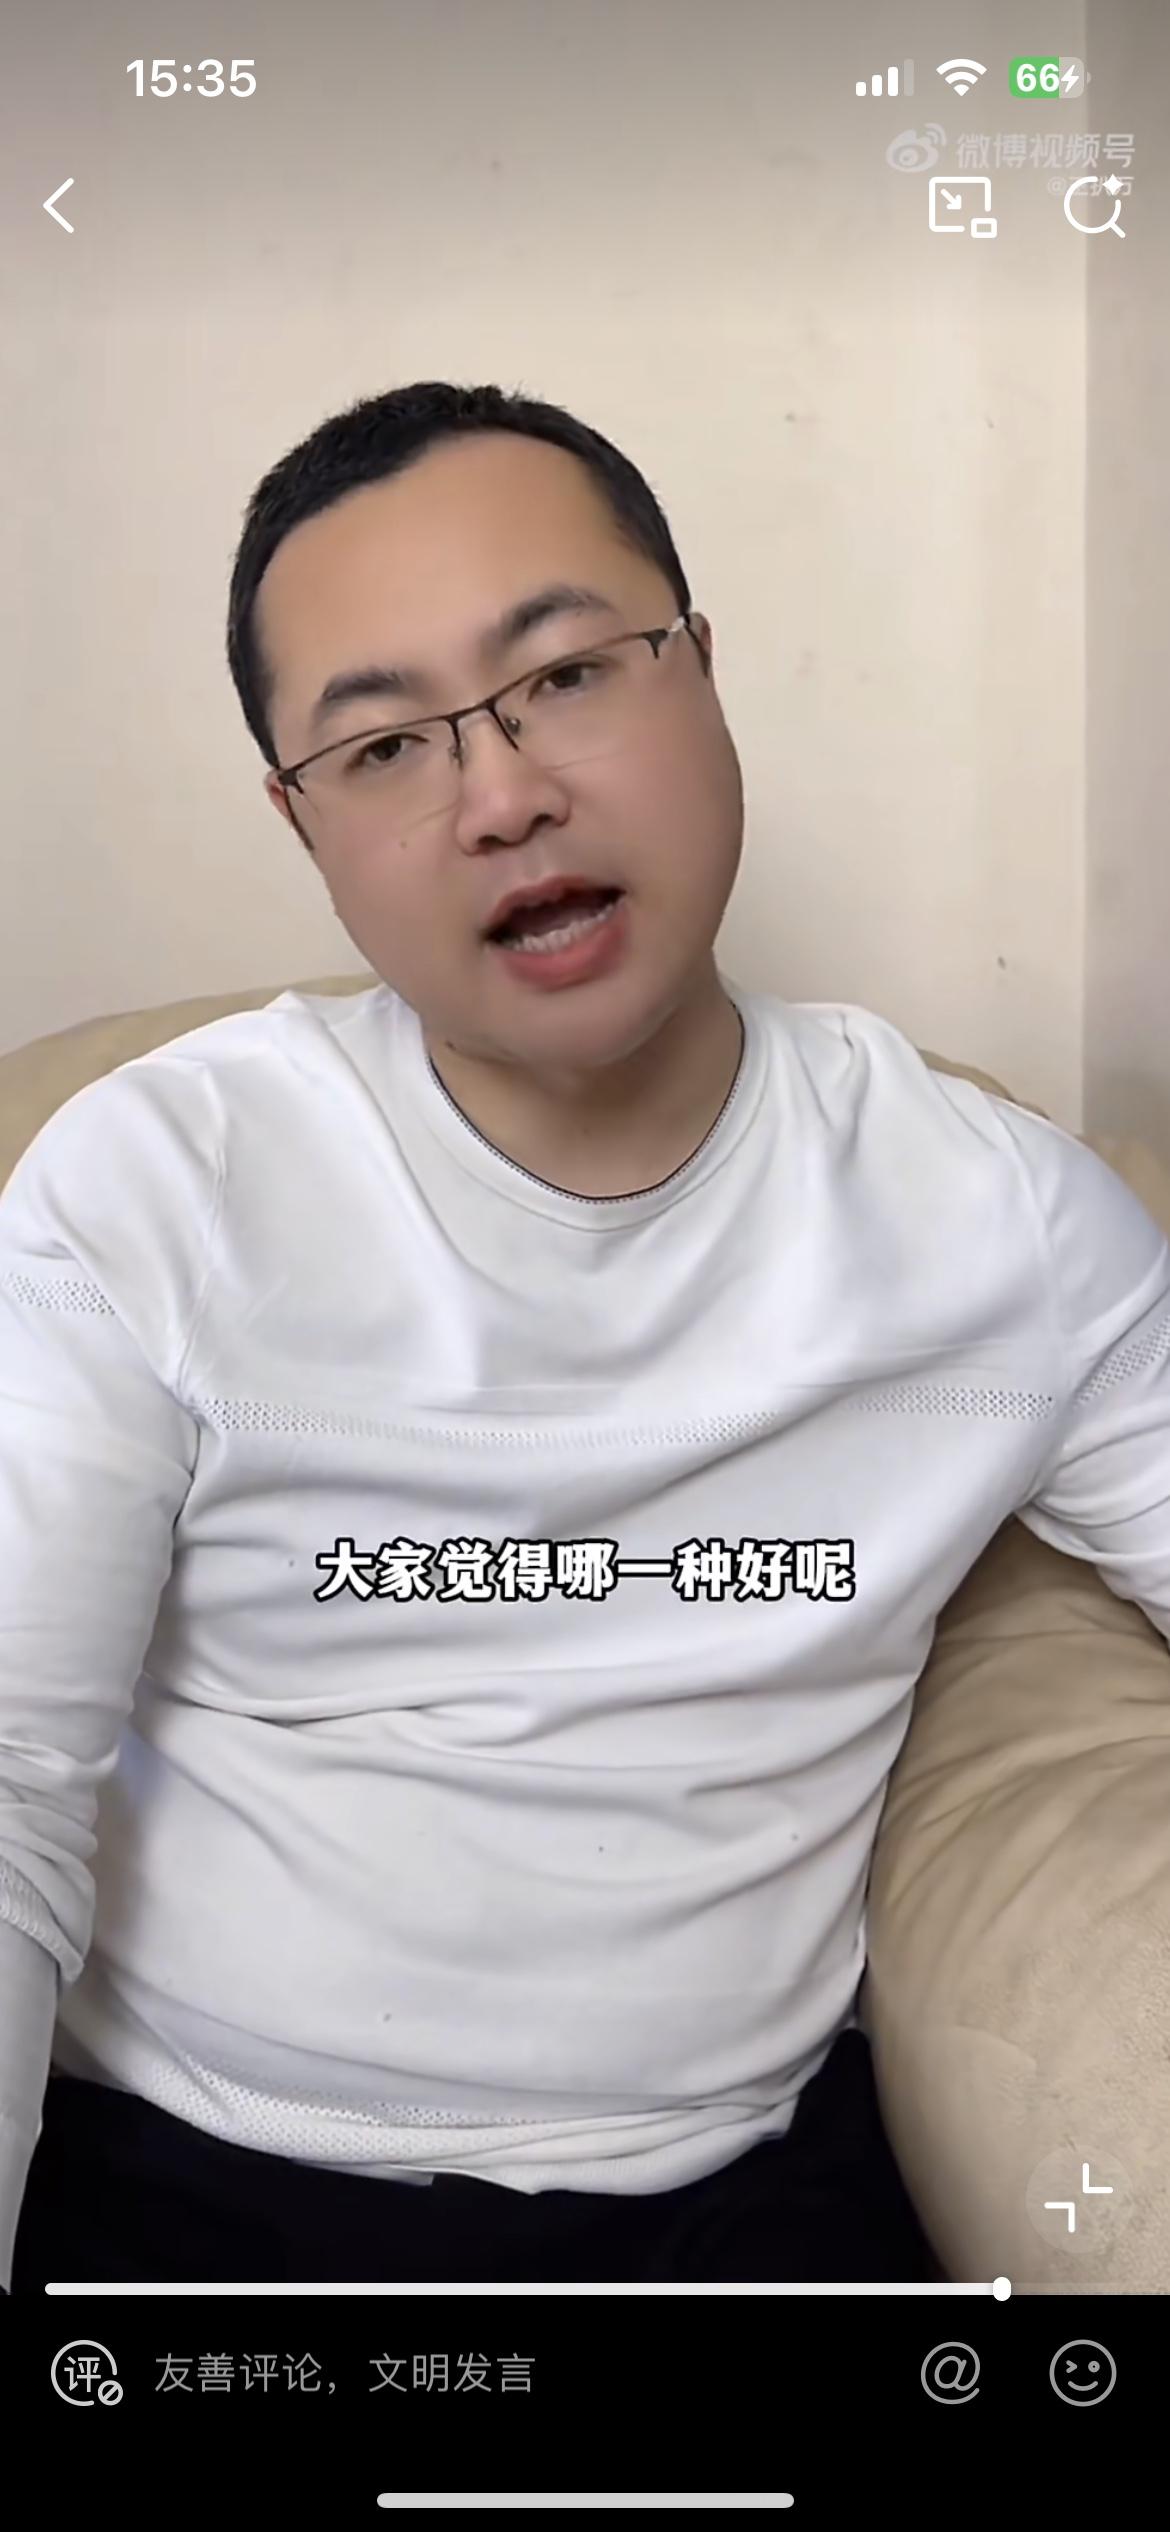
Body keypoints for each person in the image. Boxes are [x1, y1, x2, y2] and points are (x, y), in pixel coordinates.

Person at [3, 381, 1169, 2290]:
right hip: (178, 2168)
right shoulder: (158, 1182)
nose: (500, 797)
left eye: (562, 675)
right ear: (301, 824)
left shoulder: (1004, 1224)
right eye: (383, 744)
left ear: (698, 670)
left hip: (731, 2201)